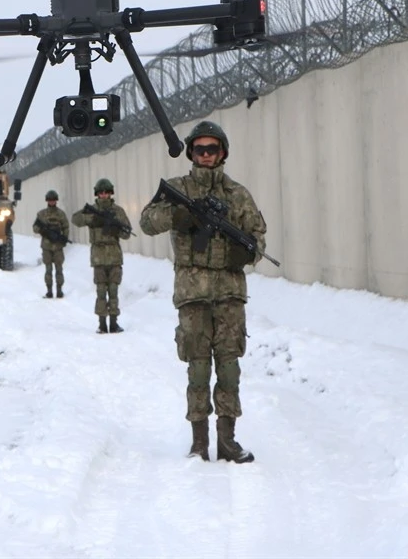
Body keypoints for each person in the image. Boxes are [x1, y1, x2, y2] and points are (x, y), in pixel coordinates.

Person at [139, 121, 266, 463]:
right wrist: (177, 216)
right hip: (193, 295)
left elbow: (257, 237)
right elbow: (147, 221)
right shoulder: (179, 189)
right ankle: (199, 443)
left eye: (213, 149)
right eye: (200, 149)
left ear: (223, 152)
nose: (206, 155)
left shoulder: (238, 195)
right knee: (197, 369)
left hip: (229, 295)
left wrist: (247, 253)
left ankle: (228, 441)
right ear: (192, 153)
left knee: (228, 368)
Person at [72, 178, 132, 334]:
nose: (104, 195)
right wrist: (93, 219)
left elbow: (127, 233)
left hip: (114, 256)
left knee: (113, 291)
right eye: (101, 193)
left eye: (106, 192)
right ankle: (102, 324)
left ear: (110, 193)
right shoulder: (91, 210)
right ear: (97, 194)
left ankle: (113, 323)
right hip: (98, 256)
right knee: (100, 292)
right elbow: (75, 219)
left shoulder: (118, 211)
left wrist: (115, 229)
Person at [33, 189, 70, 298]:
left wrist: (64, 239)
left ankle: (59, 290)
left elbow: (66, 227)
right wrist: (43, 230)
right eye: (50, 200)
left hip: (58, 246)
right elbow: (35, 228)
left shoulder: (61, 214)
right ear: (47, 201)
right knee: (48, 269)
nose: (52, 202)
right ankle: (49, 290)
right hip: (46, 246)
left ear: (56, 201)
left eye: (53, 200)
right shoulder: (41, 214)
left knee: (59, 269)